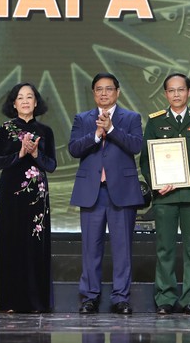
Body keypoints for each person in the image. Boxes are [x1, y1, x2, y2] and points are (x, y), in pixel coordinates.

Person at [139, 73, 190, 315]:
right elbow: (145, 160)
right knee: (165, 248)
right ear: (165, 94)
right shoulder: (155, 122)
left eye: (180, 89)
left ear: (189, 92)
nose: (176, 94)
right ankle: (165, 297)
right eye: (171, 90)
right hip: (166, 196)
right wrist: (155, 184)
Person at [69, 72, 144, 315]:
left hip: (122, 191)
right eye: (99, 89)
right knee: (91, 248)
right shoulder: (82, 119)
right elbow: (74, 149)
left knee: (122, 249)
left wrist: (111, 130)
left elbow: (136, 146)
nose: (104, 93)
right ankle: (90, 297)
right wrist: (95, 135)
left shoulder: (131, 117)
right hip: (92, 192)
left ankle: (121, 297)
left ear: (117, 92)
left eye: (109, 89)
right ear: (93, 93)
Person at [0, 82, 56, 312]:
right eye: (20, 97)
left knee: (35, 245)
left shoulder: (45, 131)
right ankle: (10, 301)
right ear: (14, 103)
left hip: (37, 194)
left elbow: (51, 165)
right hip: (10, 192)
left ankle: (37, 302)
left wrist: (36, 153)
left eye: (30, 97)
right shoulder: (5, 129)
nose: (25, 101)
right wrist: (19, 153)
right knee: (12, 243)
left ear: (36, 102)